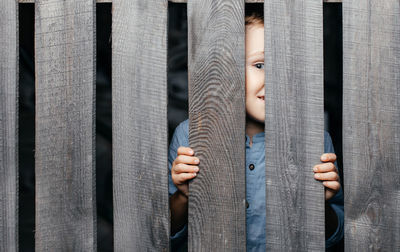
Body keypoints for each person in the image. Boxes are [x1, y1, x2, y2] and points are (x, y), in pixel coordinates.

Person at [168, 9, 344, 252]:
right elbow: (168, 234)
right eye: (259, 64)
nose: (273, 77)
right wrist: (184, 196)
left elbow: (335, 235)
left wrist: (319, 205)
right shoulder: (189, 136)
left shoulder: (315, 139)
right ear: (228, 68)